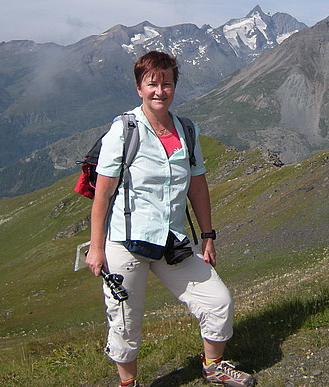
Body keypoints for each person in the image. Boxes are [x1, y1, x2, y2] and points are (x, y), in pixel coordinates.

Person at [85, 51, 254, 387]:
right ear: (139, 88)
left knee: (218, 301)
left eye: (166, 83)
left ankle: (213, 367)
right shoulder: (124, 130)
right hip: (125, 243)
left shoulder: (187, 130)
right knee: (124, 322)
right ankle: (128, 384)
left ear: (175, 86)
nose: (159, 91)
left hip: (171, 241)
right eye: (152, 84)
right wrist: (96, 247)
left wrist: (208, 235)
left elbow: (198, 186)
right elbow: (102, 194)